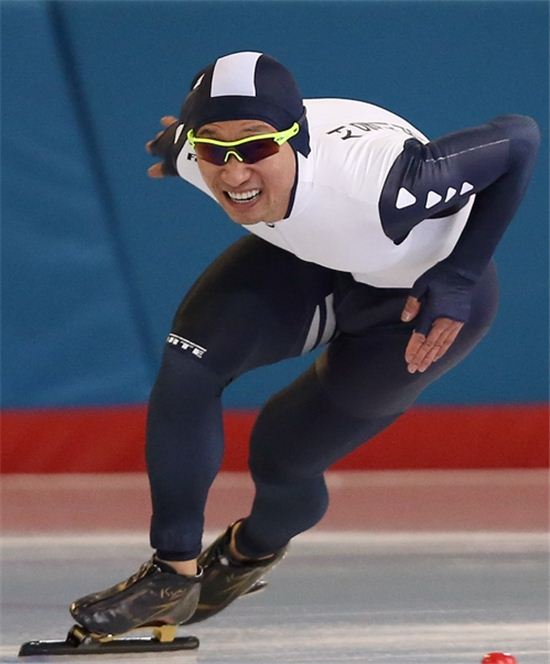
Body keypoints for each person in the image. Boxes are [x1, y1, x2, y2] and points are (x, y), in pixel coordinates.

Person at [70, 51, 540, 637]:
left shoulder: (387, 186)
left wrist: (461, 275)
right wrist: (178, 150)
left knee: (281, 454)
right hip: (315, 262)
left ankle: (249, 552)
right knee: (189, 363)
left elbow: (519, 138)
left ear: (298, 139)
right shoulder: (197, 156)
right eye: (213, 149)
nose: (234, 175)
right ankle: (172, 574)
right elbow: (205, 146)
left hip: (419, 303)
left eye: (256, 148)